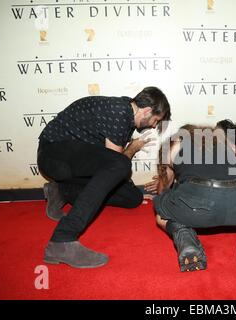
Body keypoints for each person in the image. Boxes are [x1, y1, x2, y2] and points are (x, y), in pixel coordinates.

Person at [37, 87, 171, 268]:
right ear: (147, 111)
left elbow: (110, 170)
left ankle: (62, 190)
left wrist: (132, 189)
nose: (154, 126)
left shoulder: (125, 116)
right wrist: (132, 148)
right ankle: (62, 239)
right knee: (120, 165)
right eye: (156, 120)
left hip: (72, 164)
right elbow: (116, 163)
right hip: (53, 154)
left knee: (132, 198)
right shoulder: (119, 112)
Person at [145, 125, 236, 272]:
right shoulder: (218, 141)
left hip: (199, 202)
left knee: (161, 210)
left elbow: (164, 188)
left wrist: (163, 186)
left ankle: (182, 232)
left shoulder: (171, 145)